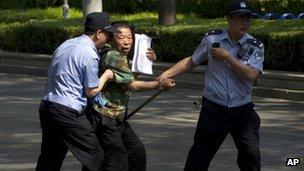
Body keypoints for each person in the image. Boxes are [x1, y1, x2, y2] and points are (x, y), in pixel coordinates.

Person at [157, 0, 264, 170]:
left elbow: (251, 74)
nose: (245, 22)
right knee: (199, 157)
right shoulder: (212, 39)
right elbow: (192, 61)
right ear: (229, 19)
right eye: (240, 18)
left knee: (251, 157)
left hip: (242, 110)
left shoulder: (255, 46)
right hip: (214, 109)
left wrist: (228, 57)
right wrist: (166, 74)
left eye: (248, 18)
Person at [85, 21, 175, 171]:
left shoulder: (117, 55)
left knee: (136, 153)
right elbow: (132, 84)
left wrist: (146, 60)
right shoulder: (113, 56)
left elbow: (127, 78)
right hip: (105, 117)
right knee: (117, 161)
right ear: (111, 38)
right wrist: (159, 84)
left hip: (116, 117)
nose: (126, 42)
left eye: (129, 38)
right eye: (121, 38)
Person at [35, 12, 118, 171]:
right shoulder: (89, 54)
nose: (107, 40)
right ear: (98, 33)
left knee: (50, 156)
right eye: (107, 35)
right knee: (95, 155)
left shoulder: (66, 44)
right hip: (67, 111)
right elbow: (91, 91)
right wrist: (107, 76)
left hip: (47, 105)